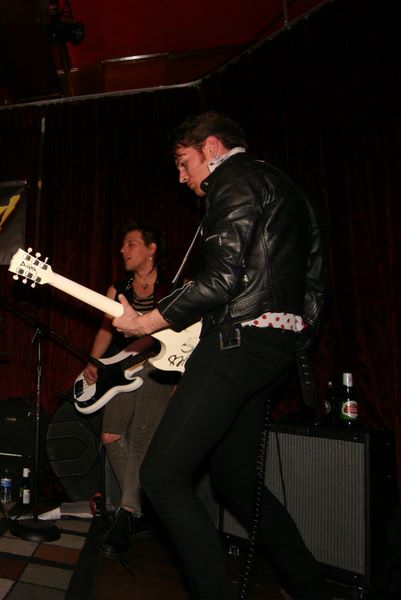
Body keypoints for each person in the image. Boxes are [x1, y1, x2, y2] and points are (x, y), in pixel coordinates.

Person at [112, 112, 328, 599]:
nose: (181, 176)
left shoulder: (233, 178)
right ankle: (312, 590)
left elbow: (222, 279)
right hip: (274, 348)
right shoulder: (288, 188)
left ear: (210, 147)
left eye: (183, 162)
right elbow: (316, 280)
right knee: (235, 481)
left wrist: (146, 322)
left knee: (161, 476)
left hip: (238, 342)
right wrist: (295, 340)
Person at [79, 222, 177, 559]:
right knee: (110, 435)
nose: (123, 250)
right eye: (122, 244)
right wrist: (93, 360)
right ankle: (138, 507)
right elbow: (106, 330)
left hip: (161, 368)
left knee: (143, 437)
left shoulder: (173, 286)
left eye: (131, 243)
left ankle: (125, 515)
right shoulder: (117, 288)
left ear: (151, 249)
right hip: (123, 368)